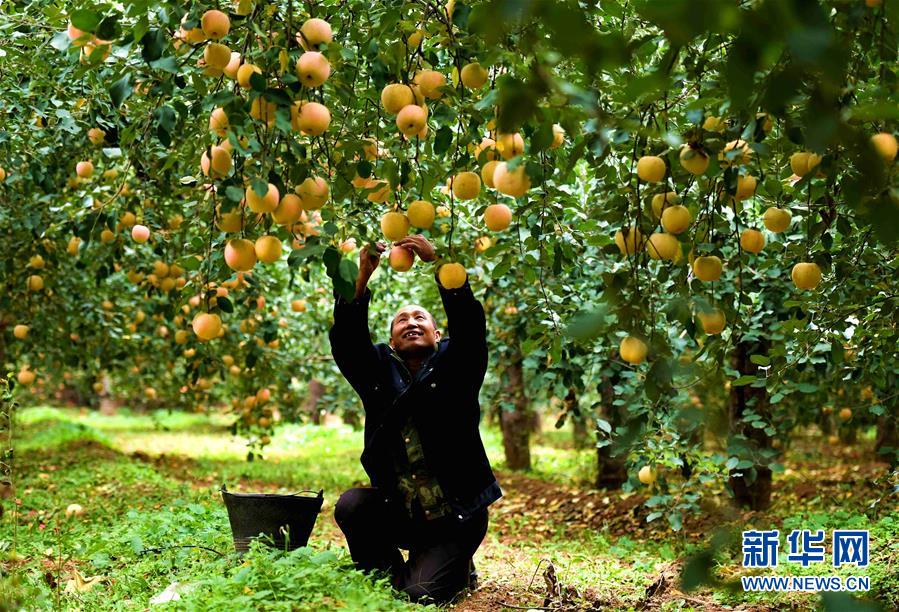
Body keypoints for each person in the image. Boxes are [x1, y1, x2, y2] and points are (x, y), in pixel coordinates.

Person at [329, 235, 502, 605]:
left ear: (437, 335)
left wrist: (440, 264)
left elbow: (470, 325)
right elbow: (346, 341)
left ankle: (450, 567)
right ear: (391, 341)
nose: (411, 322)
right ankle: (413, 571)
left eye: (420, 318)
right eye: (401, 320)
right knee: (352, 505)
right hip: (402, 511)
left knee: (418, 595)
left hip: (456, 516)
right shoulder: (375, 370)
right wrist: (362, 276)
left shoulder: (459, 365)